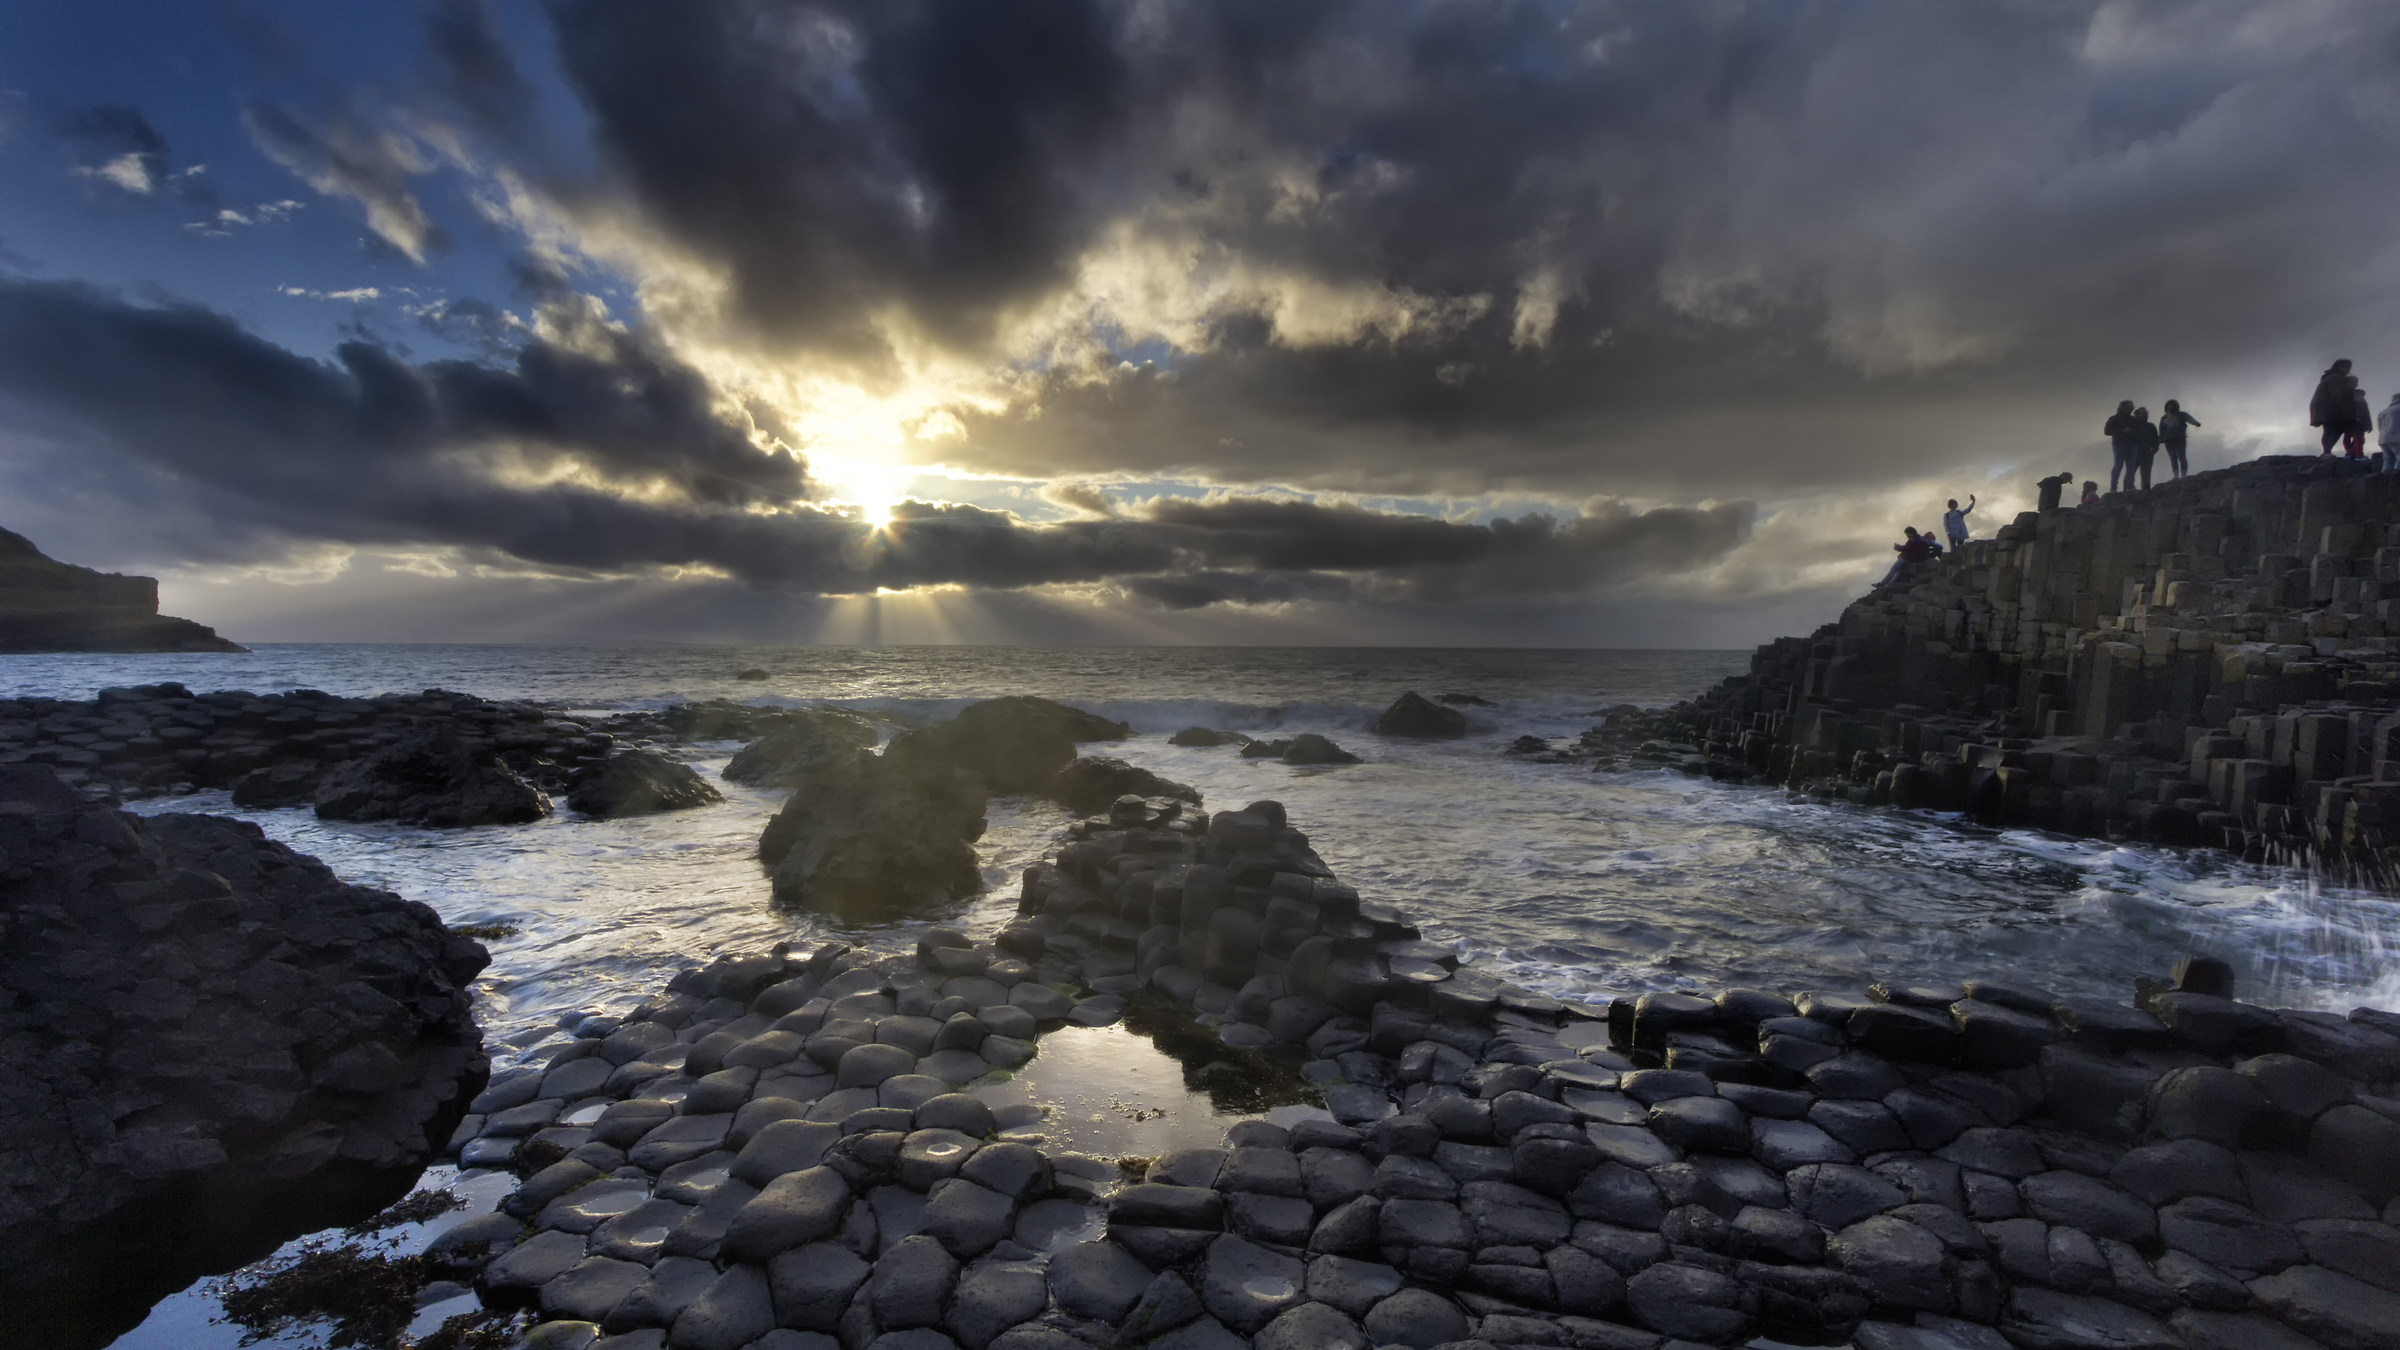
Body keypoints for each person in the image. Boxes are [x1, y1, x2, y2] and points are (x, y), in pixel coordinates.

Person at [2312, 359, 2358, 455]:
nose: (2348, 370)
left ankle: (2327, 452)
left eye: (2349, 368)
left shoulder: (2332, 378)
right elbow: (2337, 396)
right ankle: (2327, 452)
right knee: (2334, 430)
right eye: (2346, 367)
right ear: (2339, 367)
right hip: (2331, 410)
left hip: (2328, 409)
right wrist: (2347, 411)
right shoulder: (2336, 378)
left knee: (2332, 430)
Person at [2159, 399, 2200, 480]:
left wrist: (2196, 423)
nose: (2170, 407)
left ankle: (2184, 474)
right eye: (2169, 406)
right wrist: (2161, 438)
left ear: (2176, 406)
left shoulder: (2181, 414)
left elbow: (2189, 419)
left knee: (2182, 456)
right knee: (2173, 457)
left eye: (2172, 405)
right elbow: (2161, 428)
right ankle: (2176, 475)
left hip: (2180, 438)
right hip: (2169, 440)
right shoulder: (2164, 417)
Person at [2104, 399, 2138, 492]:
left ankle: (2130, 486)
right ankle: (2114, 487)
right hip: (2119, 444)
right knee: (2119, 465)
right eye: (2129, 408)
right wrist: (2122, 431)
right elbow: (2107, 431)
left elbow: (2138, 431)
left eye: (2131, 408)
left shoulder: (2133, 419)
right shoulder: (2114, 419)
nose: (2131, 410)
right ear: (2123, 408)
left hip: (2132, 444)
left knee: (2130, 466)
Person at [2131, 406, 2161, 490]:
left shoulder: (2151, 426)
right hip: (2134, 453)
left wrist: (2154, 449)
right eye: (2142, 413)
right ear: (2136, 415)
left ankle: (2146, 490)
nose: (2145, 415)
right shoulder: (2132, 426)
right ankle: (2128, 488)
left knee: (2146, 473)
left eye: (2146, 413)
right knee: (2131, 472)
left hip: (2147, 452)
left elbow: (2155, 439)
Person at [2346, 378, 2371, 459]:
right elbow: (2363, 413)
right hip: (2358, 423)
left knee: (2358, 440)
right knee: (2358, 440)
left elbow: (2367, 414)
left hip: (2360, 423)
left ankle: (2353, 454)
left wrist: (2369, 426)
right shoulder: (2357, 402)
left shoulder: (2360, 401)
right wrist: (2358, 419)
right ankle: (2357, 455)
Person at [2381, 392, 2400, 473]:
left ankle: (2385, 479)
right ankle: (2396, 478)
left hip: (2383, 439)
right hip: (2397, 437)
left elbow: (2380, 426)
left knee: (2388, 460)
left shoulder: (2383, 412)